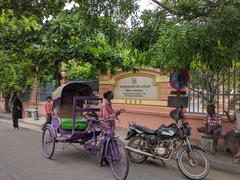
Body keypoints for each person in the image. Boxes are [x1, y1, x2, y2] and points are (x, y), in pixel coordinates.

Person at [99, 90, 124, 167]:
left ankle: (108, 158)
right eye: (111, 94)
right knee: (105, 142)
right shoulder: (104, 104)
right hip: (106, 125)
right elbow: (106, 117)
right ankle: (101, 161)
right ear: (107, 96)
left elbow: (111, 112)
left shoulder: (109, 103)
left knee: (111, 141)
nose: (113, 95)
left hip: (110, 124)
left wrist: (117, 113)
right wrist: (115, 113)